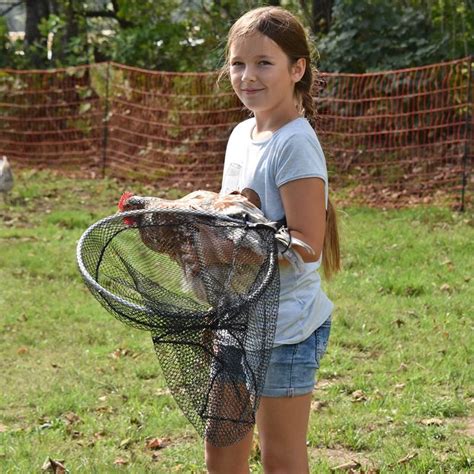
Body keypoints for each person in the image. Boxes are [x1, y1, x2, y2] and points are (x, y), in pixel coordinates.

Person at [205, 6, 341, 474]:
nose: (247, 76)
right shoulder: (242, 134)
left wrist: (246, 240)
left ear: (296, 68)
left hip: (285, 328)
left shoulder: (294, 143)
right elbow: (232, 217)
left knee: (281, 457)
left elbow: (307, 246)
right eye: (238, 64)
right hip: (236, 317)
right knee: (222, 448)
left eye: (264, 63)